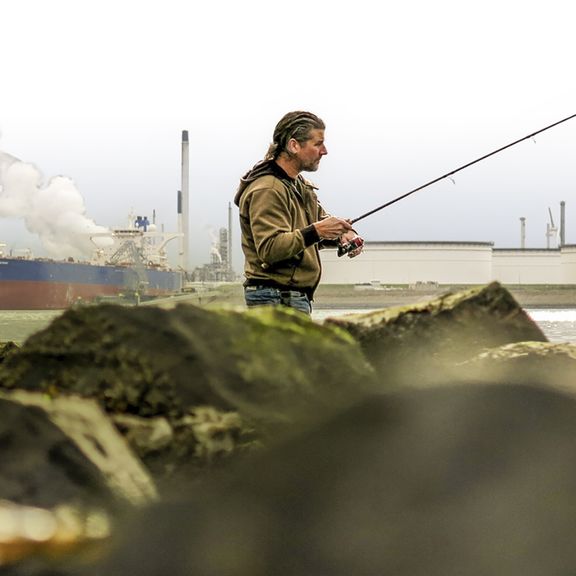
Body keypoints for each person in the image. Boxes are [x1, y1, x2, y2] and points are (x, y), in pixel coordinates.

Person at [233, 111, 363, 315]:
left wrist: (343, 235)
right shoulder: (268, 189)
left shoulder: (299, 185)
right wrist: (319, 231)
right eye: (318, 144)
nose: (325, 151)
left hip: (290, 297)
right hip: (275, 299)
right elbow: (270, 248)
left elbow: (314, 228)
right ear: (294, 145)